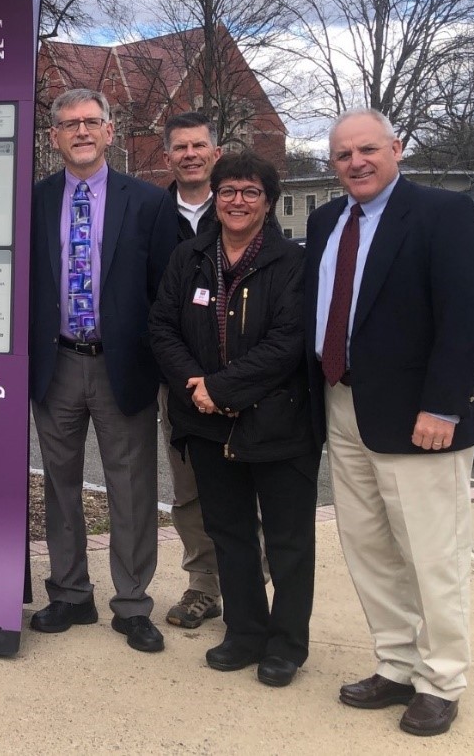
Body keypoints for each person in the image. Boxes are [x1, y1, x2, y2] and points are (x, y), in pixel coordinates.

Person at [304, 109, 474, 735]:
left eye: (367, 150)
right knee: (369, 548)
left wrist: (443, 404)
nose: (355, 163)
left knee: (431, 553)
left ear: (397, 149)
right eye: (342, 155)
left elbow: (465, 318)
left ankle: (441, 679)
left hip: (419, 418)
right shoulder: (327, 219)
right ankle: (396, 663)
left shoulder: (442, 214)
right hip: (344, 404)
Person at [150, 151, 319, 687]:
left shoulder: (291, 263)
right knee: (230, 533)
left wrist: (221, 387)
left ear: (268, 202)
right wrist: (198, 390)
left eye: (250, 192)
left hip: (278, 423)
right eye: (228, 191)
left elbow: (288, 342)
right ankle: (245, 633)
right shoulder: (189, 257)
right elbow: (162, 329)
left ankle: (287, 643)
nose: (238, 201)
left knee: (289, 541)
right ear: (214, 198)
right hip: (205, 424)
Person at [28, 88, 176, 653]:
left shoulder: (148, 203)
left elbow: (165, 292)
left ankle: (133, 603)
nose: (82, 132)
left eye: (92, 122)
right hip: (57, 361)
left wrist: (162, 366)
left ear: (111, 131)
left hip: (123, 365)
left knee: (132, 488)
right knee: (60, 486)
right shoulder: (36, 200)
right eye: (70, 125)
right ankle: (69, 593)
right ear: (55, 138)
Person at [157, 112, 224, 629]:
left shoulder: (245, 206)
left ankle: (250, 575)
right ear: (168, 157)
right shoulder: (148, 215)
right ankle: (203, 584)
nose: (190, 154)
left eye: (199, 145)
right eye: (180, 147)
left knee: (250, 482)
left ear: (215, 153)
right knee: (190, 489)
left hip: (247, 378)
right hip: (179, 379)